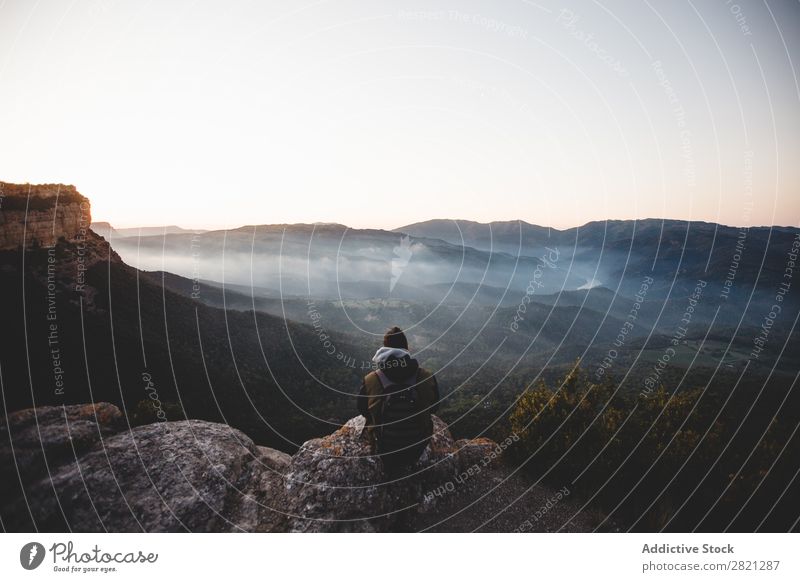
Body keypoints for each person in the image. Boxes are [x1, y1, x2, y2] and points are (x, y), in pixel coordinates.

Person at [357, 326, 440, 474]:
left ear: (384, 350)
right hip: (416, 448)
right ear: (406, 348)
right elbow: (434, 408)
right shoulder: (426, 377)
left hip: (384, 448)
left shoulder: (371, 379)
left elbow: (363, 410)